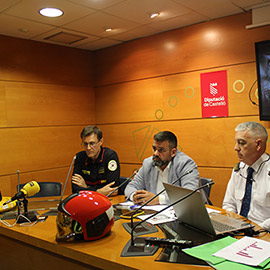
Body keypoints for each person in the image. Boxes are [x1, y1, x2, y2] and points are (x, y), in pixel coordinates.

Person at [125, 131, 200, 205]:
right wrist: (135, 196)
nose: (155, 153)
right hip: (153, 213)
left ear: (173, 152)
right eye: (154, 149)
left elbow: (190, 194)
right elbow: (131, 187)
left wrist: (158, 199)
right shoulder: (148, 163)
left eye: (161, 150)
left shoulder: (185, 163)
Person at [223, 121, 270, 230]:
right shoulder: (239, 169)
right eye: (236, 142)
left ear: (258, 144)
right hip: (238, 230)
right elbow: (229, 204)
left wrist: (256, 230)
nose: (236, 148)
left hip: (264, 233)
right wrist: (232, 225)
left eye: (242, 143)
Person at [71, 125, 120, 196]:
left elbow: (112, 189)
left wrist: (86, 187)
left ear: (101, 142)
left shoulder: (110, 156)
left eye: (92, 143)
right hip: (87, 200)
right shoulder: (79, 157)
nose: (88, 148)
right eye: (85, 144)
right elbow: (75, 189)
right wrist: (99, 192)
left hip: (107, 201)